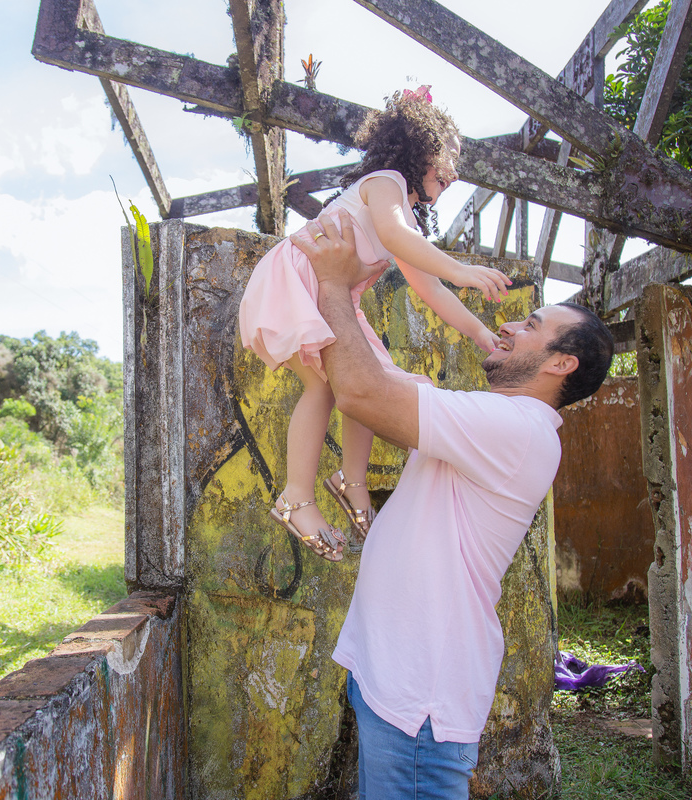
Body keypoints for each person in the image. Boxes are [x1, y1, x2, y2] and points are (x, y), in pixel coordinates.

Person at [291, 214, 614, 799]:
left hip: (420, 699)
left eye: (532, 325)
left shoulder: (520, 429)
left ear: (561, 363)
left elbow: (362, 392)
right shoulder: (491, 420)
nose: (511, 324)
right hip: (392, 677)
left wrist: (334, 285)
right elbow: (380, 392)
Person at [238, 86, 512, 562]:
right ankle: (297, 497)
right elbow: (391, 233)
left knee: (368, 384)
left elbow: (430, 290)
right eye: (450, 153)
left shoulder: (406, 218)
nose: (456, 169)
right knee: (321, 388)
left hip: (336, 295)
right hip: (306, 277)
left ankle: (351, 480)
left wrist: (476, 331)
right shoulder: (383, 182)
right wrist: (462, 268)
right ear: (419, 146)